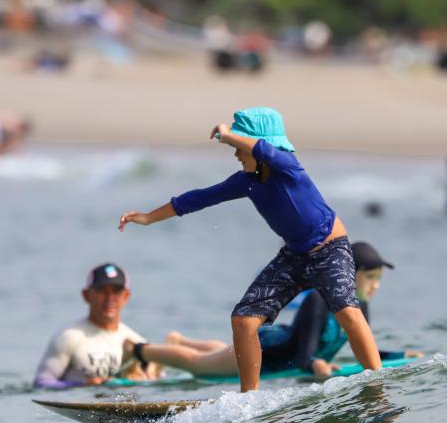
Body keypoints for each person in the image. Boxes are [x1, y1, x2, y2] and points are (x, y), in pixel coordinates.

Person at [118, 106, 382, 392]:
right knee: (243, 320)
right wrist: (147, 217)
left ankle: (377, 384)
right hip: (294, 257)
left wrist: (228, 135)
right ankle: (249, 398)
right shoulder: (247, 182)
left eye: (239, 148)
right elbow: (199, 198)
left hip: (330, 250)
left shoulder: (288, 167)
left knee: (347, 311)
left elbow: (264, 151)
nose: (236, 154)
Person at [123, 241, 423, 379]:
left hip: (278, 346)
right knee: (200, 365)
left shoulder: (360, 307)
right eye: (370, 277)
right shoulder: (318, 301)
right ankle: (139, 351)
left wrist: (400, 355)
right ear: (348, 273)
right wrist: (316, 365)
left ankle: (179, 340)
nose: (376, 286)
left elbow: (365, 349)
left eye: (378, 279)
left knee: (220, 353)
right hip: (268, 352)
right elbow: (305, 356)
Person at [32, 263, 160, 389]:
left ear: (126, 296)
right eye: (101, 291)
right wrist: (81, 385)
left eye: (116, 291)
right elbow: (41, 383)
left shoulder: (137, 343)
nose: (109, 298)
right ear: (86, 295)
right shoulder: (69, 337)